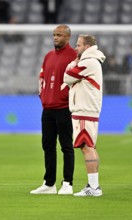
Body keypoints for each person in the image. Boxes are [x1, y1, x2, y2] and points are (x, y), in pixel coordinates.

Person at [30, 24, 77, 195]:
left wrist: (67, 98)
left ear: (68, 37)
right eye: (54, 34)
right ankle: (49, 184)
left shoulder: (74, 57)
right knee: (48, 146)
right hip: (48, 109)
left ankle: (67, 183)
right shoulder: (48, 56)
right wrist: (43, 97)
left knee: (66, 146)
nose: (55, 37)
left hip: (64, 108)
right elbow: (42, 77)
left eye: (59, 35)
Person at [64, 34, 106, 196]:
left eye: (78, 45)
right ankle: (94, 186)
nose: (76, 48)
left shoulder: (88, 62)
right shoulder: (92, 62)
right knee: (90, 147)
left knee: (86, 147)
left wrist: (72, 64)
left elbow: (67, 77)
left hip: (84, 110)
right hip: (88, 110)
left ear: (87, 47)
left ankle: (93, 188)